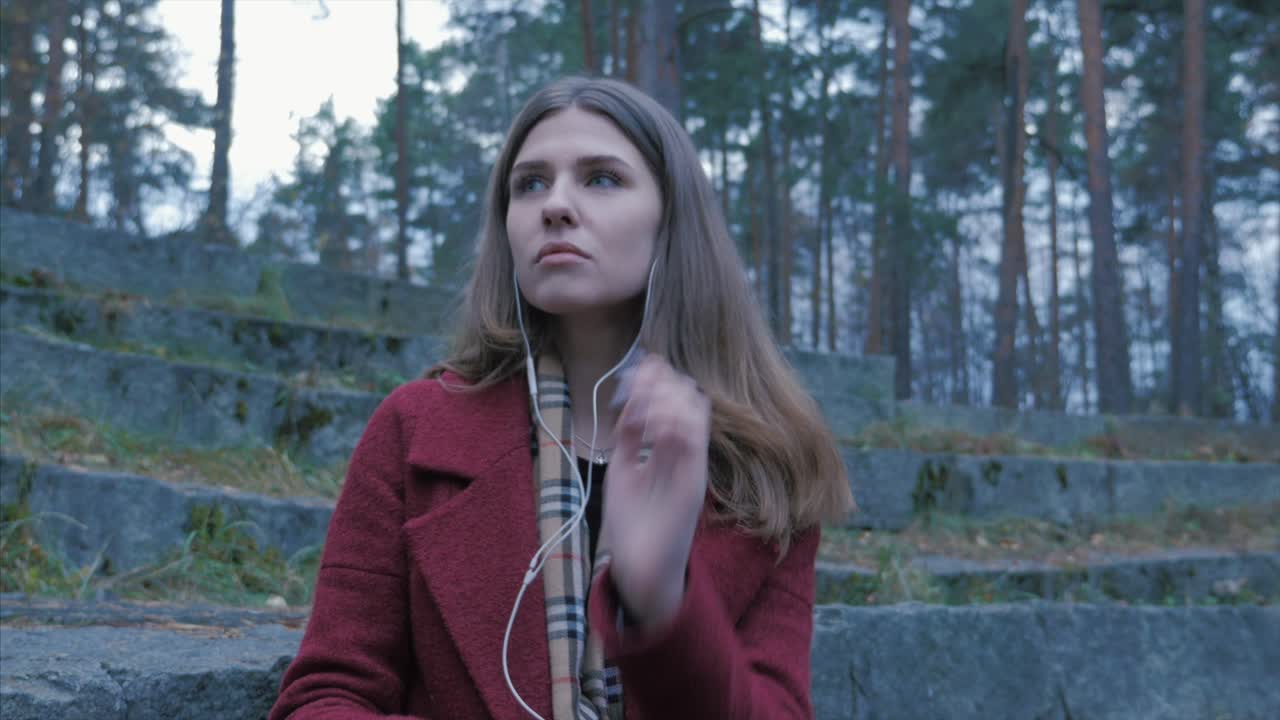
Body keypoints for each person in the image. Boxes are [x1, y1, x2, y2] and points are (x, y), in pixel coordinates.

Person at [269, 76, 853, 720]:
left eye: (602, 178)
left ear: (672, 222)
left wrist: (658, 601)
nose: (555, 206)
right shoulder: (416, 427)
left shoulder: (765, 465)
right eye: (530, 183)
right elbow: (326, 698)